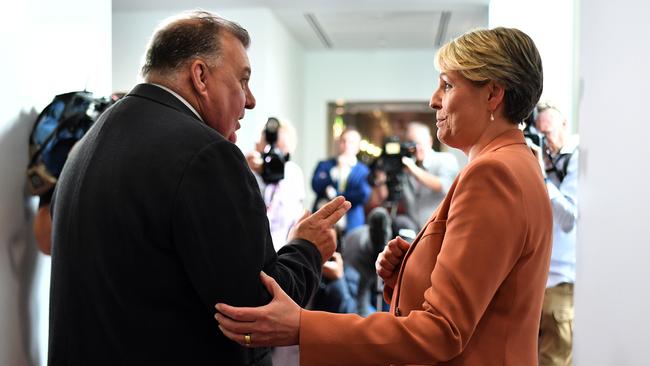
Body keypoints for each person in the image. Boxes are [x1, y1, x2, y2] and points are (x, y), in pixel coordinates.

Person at [215, 27, 553, 366]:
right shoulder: (516, 163)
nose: (434, 100)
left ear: (493, 94)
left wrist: (303, 326)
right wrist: (411, 272)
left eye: (447, 85)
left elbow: (443, 330)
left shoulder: (492, 174)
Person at [48, 10, 349, 365]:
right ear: (201, 76)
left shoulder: (89, 143)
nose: (250, 100)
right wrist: (307, 248)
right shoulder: (206, 155)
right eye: (243, 80)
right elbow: (255, 318)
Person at [535, 102, 579, 366]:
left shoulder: (576, 158)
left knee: (555, 360)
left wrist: (542, 180)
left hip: (561, 280)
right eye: (540, 135)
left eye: (548, 133)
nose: (546, 142)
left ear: (565, 125)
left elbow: (569, 219)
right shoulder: (544, 159)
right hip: (537, 277)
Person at [246, 118, 305, 251]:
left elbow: (294, 217)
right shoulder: (246, 168)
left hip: (283, 249)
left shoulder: (293, 173)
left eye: (280, 151)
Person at [312, 127, 371, 233]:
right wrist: (333, 174)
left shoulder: (363, 170)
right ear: (339, 143)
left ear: (357, 147)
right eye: (343, 141)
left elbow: (363, 195)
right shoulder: (325, 165)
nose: (347, 145)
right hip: (324, 221)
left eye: (351, 142)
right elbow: (315, 185)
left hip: (352, 223)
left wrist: (337, 194)